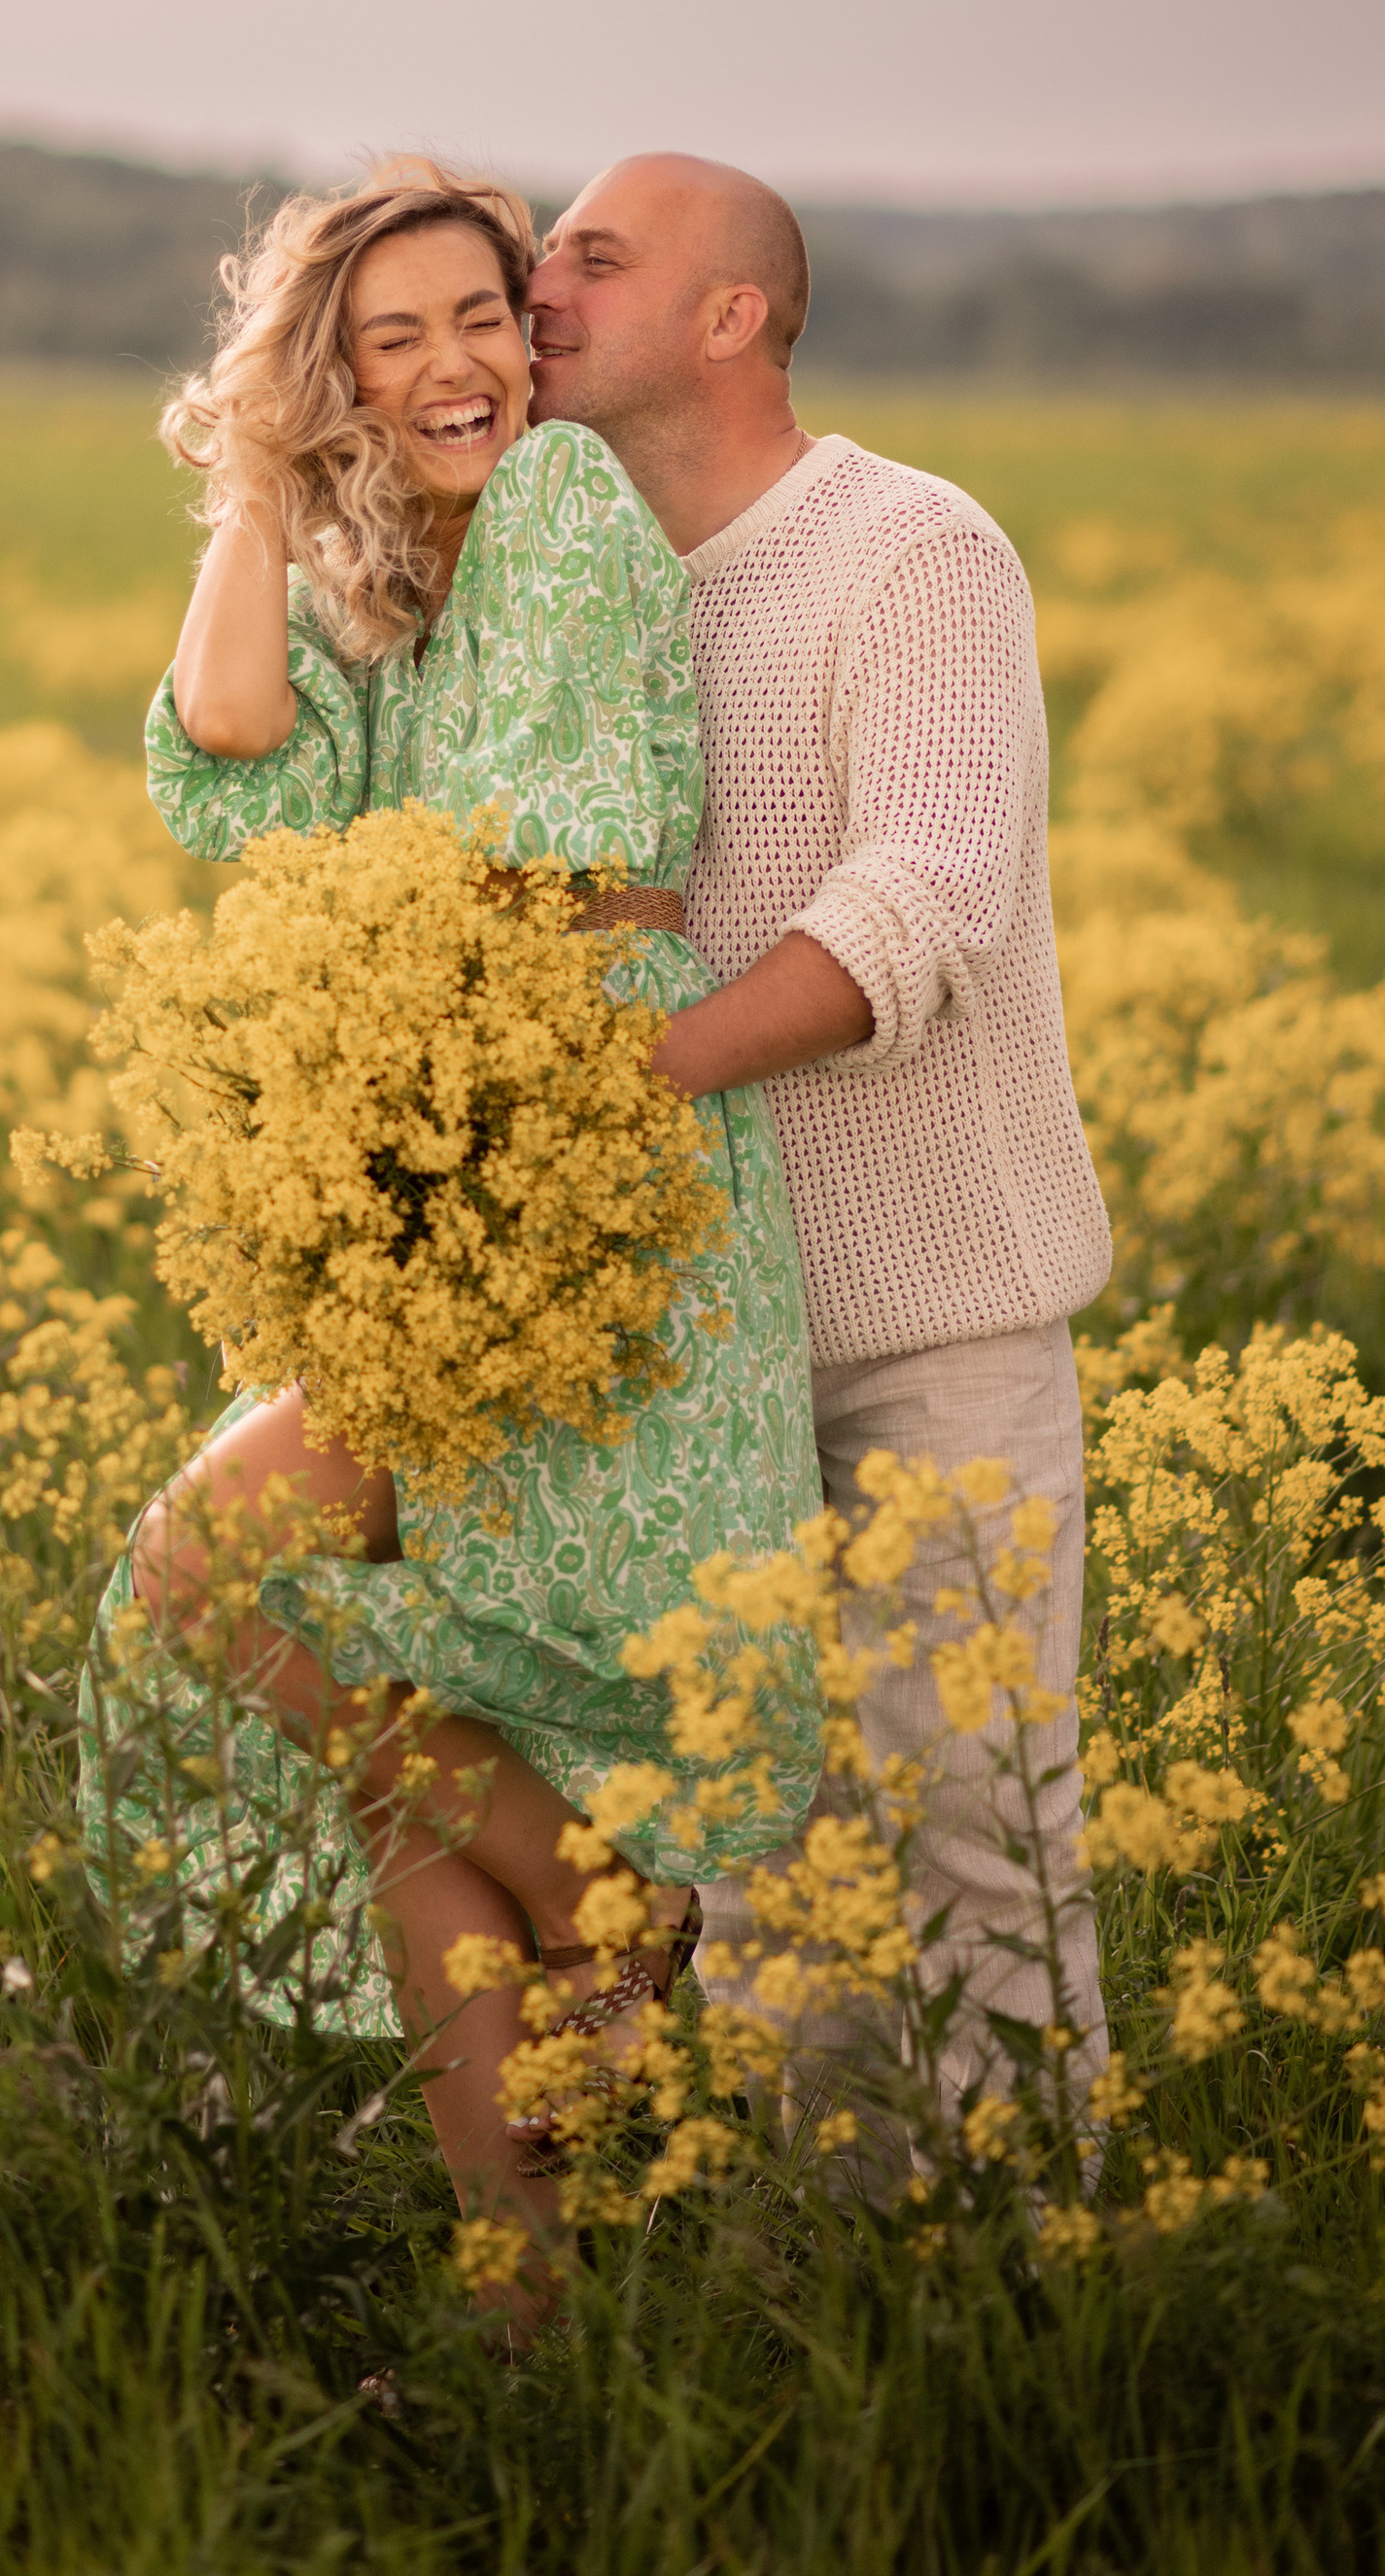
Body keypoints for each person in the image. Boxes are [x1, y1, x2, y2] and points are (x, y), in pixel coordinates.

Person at [91, 156, 821, 2337]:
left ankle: (611, 1907)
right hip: (443, 1193)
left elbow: (551, 850)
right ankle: (526, 2330)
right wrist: (253, 476)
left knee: (201, 1565)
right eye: (388, 337)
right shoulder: (395, 572)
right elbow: (225, 751)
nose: (451, 368)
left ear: (535, 340)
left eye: (479, 320)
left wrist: (357, 1049)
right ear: (340, 373)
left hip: (588, 1198)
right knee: (413, 1775)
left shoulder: (574, 513)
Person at [526, 153, 1114, 2137]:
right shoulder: (558, 580)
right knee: (765, 1857)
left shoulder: (910, 554)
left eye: (592, 258)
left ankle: (1036, 2289)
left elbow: (922, 903)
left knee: (971, 1817)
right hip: (693, 1337)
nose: (539, 285)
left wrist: (642, 1073)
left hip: (932, 1315)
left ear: (729, 317)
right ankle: (831, 2294)